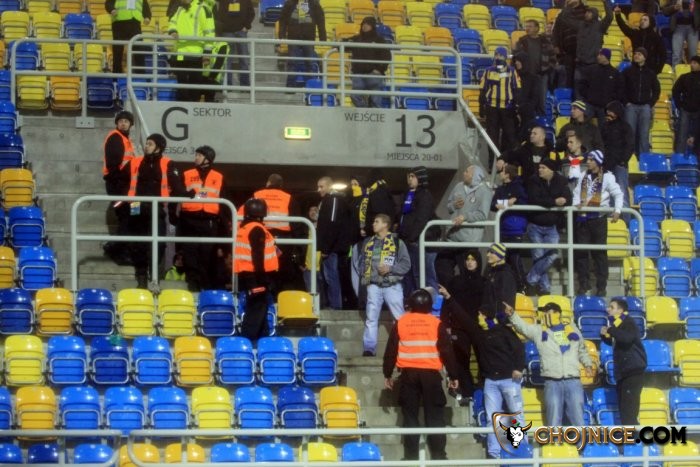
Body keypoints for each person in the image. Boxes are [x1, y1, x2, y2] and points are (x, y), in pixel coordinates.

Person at [438, 288, 525, 460]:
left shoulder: (505, 331)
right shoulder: (478, 333)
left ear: (486, 316)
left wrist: (518, 368)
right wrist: (449, 297)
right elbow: (463, 317)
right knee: (493, 418)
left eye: (480, 314)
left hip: (509, 380)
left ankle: (521, 450)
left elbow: (519, 349)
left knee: (516, 416)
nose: (477, 317)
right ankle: (494, 453)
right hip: (490, 382)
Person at [383, 289, 459, 462]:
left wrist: (387, 373)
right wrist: (453, 376)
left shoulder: (401, 322)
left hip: (408, 375)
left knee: (410, 417)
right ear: (430, 306)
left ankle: (411, 457)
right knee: (435, 416)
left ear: (410, 304)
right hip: (431, 376)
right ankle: (439, 456)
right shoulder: (436, 323)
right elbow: (447, 351)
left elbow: (391, 351)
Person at [504, 301, 595, 427]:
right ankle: (554, 440)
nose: (545, 314)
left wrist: (588, 365)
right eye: (544, 312)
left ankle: (580, 440)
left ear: (557, 313)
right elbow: (523, 328)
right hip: (552, 381)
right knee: (553, 419)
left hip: (573, 380)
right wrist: (513, 315)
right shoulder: (539, 331)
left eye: (548, 312)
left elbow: (582, 350)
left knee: (577, 418)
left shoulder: (572, 329)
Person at [125, 133, 189, 288]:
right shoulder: (135, 161)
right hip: (136, 205)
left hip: (157, 206)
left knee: (159, 244)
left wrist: (187, 194)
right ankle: (141, 277)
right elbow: (123, 180)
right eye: (146, 143)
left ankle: (154, 276)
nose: (146, 146)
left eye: (150, 144)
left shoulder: (168, 163)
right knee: (138, 242)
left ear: (158, 148)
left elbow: (177, 186)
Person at [356, 214, 410, 357]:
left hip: (392, 285)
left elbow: (406, 264)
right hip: (373, 285)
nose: (373, 224)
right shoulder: (368, 242)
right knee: (371, 318)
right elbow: (362, 263)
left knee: (399, 317)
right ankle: (369, 348)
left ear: (385, 224)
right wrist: (366, 277)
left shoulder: (397, 242)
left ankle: (404, 347)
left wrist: (390, 269)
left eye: (377, 221)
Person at [573, 150, 623, 296]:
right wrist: (576, 205)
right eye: (588, 159)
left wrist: (618, 210)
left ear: (598, 162)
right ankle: (583, 284)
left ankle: (601, 286)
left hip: (598, 220)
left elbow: (618, 194)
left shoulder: (608, 177)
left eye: (591, 160)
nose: (588, 162)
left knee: (600, 254)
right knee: (581, 253)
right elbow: (576, 193)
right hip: (582, 219)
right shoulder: (583, 175)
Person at [178, 145, 226, 291]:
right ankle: (192, 283)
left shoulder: (219, 177)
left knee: (207, 254)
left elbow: (224, 201)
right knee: (190, 252)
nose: (196, 158)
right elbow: (178, 193)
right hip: (189, 218)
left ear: (208, 158)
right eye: (196, 155)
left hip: (209, 220)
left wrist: (223, 223)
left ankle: (204, 284)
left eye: (199, 155)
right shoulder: (187, 174)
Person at [436, 165, 492, 286]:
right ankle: (450, 291)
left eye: (467, 172)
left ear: (474, 176)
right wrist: (454, 205)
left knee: (467, 273)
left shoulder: (484, 191)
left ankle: (466, 295)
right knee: (442, 265)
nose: (464, 173)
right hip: (452, 238)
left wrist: (465, 217)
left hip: (469, 241)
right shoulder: (458, 186)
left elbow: (482, 215)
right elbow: (449, 206)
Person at [525, 159, 573, 296]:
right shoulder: (533, 180)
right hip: (535, 225)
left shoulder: (561, 181)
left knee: (552, 255)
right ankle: (545, 288)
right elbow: (534, 199)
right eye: (539, 167)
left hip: (552, 226)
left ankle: (530, 280)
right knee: (539, 256)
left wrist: (563, 200)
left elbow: (568, 199)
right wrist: (554, 201)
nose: (540, 170)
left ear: (551, 170)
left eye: (543, 167)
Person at [234, 198, 279, 340]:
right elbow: (258, 256)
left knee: (260, 307)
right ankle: (246, 340)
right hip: (256, 276)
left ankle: (263, 339)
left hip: (247, 274)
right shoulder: (257, 229)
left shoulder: (244, 228)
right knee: (257, 309)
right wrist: (263, 279)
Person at [443, 248, 484, 403]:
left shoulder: (484, 282)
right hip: (459, 327)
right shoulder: (455, 281)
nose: (470, 262)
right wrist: (446, 324)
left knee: (483, 359)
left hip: (479, 328)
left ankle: (483, 389)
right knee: (461, 360)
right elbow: (447, 305)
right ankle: (467, 392)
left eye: (473, 259)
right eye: (467, 259)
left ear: (478, 262)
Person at [251, 174, 303, 291]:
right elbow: (296, 223)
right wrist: (299, 247)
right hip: (283, 240)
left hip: (261, 237)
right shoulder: (288, 197)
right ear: (281, 185)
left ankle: (264, 292)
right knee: (281, 269)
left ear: (268, 183)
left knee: (261, 267)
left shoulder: (257, 195)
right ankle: (278, 294)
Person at [600, 297, 647, 425]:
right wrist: (604, 336)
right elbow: (618, 342)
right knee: (624, 410)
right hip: (623, 373)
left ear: (620, 310)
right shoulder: (618, 324)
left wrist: (611, 330)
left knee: (629, 411)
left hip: (632, 372)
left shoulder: (628, 322)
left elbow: (627, 338)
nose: (608, 309)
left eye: (612, 307)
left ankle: (633, 436)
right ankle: (630, 434)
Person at [398, 166, 439, 294]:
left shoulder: (425, 195)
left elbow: (421, 219)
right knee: (410, 277)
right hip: (409, 242)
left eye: (413, 176)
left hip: (422, 242)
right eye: (408, 176)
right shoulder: (408, 195)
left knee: (426, 277)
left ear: (420, 178)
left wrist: (411, 237)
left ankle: (433, 305)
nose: (410, 179)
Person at [102, 110, 135, 265]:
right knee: (126, 217)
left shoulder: (126, 140)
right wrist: (121, 186)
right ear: (116, 123)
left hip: (128, 187)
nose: (123, 123)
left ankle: (119, 248)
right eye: (120, 121)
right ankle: (117, 249)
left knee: (132, 216)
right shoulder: (115, 137)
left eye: (126, 121)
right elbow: (114, 166)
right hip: (118, 185)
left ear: (131, 125)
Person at [479, 46, 521, 168]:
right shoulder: (488, 71)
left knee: (510, 136)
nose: (499, 57)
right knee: (492, 137)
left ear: (505, 57)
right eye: (497, 55)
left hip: (507, 107)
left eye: (501, 55)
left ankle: (510, 162)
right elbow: (483, 89)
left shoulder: (512, 71)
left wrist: (516, 106)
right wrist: (481, 106)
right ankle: (492, 163)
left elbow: (517, 89)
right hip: (491, 107)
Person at [168, 0, 216, 102]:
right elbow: (172, 22)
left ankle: (192, 107)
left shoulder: (204, 9)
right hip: (180, 54)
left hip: (196, 55)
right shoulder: (180, 9)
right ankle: (183, 107)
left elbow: (209, 33)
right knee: (182, 87)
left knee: (194, 86)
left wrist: (207, 54)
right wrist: (173, 31)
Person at [491, 167, 528, 290]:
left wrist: (514, 202)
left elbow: (525, 203)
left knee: (514, 258)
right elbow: (492, 204)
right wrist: (498, 205)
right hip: (502, 229)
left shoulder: (518, 187)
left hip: (515, 229)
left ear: (507, 174)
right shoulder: (500, 189)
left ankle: (522, 287)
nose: (499, 174)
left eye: (502, 172)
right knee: (501, 258)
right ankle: (503, 286)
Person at [317, 176, 351, 309]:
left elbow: (332, 224)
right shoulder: (328, 200)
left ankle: (335, 307)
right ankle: (333, 305)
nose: (318, 189)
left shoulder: (334, 200)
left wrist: (326, 248)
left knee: (331, 276)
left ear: (329, 186)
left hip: (332, 249)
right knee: (327, 277)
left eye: (321, 186)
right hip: (329, 247)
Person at [278, 0, 326, 88]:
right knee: (293, 63)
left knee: (310, 64)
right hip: (293, 38)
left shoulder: (314, 3)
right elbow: (283, 19)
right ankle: (290, 86)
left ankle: (310, 87)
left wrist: (323, 37)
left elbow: (320, 19)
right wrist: (281, 35)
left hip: (308, 38)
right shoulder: (290, 3)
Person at [622, 47, 660, 156]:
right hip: (631, 107)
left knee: (644, 134)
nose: (636, 55)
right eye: (635, 53)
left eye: (639, 54)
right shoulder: (627, 72)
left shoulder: (650, 73)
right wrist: (626, 102)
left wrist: (650, 104)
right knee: (630, 134)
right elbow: (620, 88)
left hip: (645, 107)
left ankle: (644, 159)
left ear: (645, 57)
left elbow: (656, 89)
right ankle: (629, 158)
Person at [345, 16, 390, 108]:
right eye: (363, 24)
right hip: (358, 74)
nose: (365, 26)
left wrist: (379, 69)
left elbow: (386, 56)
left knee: (375, 101)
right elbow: (344, 43)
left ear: (372, 26)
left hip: (374, 74)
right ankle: (365, 111)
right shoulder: (357, 39)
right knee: (354, 96)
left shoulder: (379, 40)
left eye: (368, 24)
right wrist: (339, 43)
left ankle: (373, 114)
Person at [514, 19, 557, 115]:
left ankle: (541, 119)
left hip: (541, 75)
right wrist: (520, 67)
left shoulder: (545, 41)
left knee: (541, 99)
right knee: (526, 100)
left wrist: (548, 69)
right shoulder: (522, 41)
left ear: (537, 28)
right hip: (526, 76)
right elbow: (515, 56)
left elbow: (553, 57)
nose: (527, 28)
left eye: (530, 26)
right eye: (526, 26)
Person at [573, 0, 613, 98]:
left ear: (594, 14)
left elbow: (609, 17)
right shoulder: (580, 25)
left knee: (591, 89)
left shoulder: (600, 26)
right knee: (577, 88)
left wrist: (605, 2)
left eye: (589, 12)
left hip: (593, 64)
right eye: (586, 12)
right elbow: (566, 20)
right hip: (579, 64)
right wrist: (569, 7)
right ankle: (578, 105)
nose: (586, 14)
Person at [601, 100, 634, 216]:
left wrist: (623, 161)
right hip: (606, 165)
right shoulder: (604, 127)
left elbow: (630, 145)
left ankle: (626, 222)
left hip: (620, 165)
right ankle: (610, 221)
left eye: (611, 111)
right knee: (607, 194)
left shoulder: (625, 127)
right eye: (607, 111)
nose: (608, 114)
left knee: (622, 193)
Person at [614, 7, 667, 74]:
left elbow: (663, 55)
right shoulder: (636, 34)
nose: (642, 21)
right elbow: (624, 28)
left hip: (650, 70)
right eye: (641, 20)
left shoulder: (656, 37)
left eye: (645, 20)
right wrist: (618, 15)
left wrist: (658, 70)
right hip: (635, 69)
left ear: (651, 22)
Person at [578, 48, 624, 124]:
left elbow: (619, 89)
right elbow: (582, 84)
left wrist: (611, 101)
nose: (598, 57)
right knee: (581, 122)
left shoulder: (615, 73)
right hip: (590, 104)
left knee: (605, 127)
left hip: (605, 107)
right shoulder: (591, 69)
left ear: (607, 57)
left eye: (601, 55)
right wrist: (587, 96)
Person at [215, 0, 255, 86]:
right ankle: (227, 84)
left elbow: (251, 13)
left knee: (244, 59)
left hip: (241, 31)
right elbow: (218, 14)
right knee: (227, 60)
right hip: (227, 32)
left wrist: (247, 26)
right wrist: (221, 28)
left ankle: (245, 85)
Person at [106, 0, 151, 73]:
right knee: (118, 50)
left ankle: (140, 74)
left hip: (135, 22)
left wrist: (147, 16)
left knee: (139, 48)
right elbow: (108, 2)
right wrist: (111, 9)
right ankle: (116, 74)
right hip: (119, 22)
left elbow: (144, 5)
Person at [552, 0, 589, 87]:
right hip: (567, 51)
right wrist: (555, 45)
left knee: (582, 78)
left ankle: (580, 95)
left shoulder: (587, 11)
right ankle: (569, 95)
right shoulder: (562, 13)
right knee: (568, 78)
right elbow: (555, 31)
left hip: (584, 51)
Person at [672, 55, 700, 154]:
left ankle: (697, 157)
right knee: (681, 135)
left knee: (698, 136)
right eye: (691, 62)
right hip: (685, 110)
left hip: (698, 111)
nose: (692, 65)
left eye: (695, 63)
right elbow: (675, 91)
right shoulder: (684, 77)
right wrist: (680, 105)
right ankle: (679, 156)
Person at [662, 0, 700, 67]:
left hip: (693, 28)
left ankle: (693, 72)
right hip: (678, 28)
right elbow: (665, 11)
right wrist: (674, 7)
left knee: (693, 55)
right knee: (676, 55)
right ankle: (676, 72)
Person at [513, 53, 538, 138]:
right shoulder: (512, 77)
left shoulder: (533, 78)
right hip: (512, 112)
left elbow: (534, 98)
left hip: (527, 113)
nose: (516, 63)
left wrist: (522, 109)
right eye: (515, 60)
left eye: (519, 61)